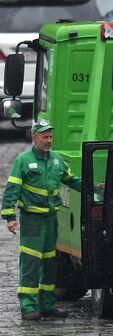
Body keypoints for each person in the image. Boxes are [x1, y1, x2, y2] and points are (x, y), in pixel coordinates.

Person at [1, 119, 82, 321]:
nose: (49, 141)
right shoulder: (23, 160)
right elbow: (12, 190)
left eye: (50, 137)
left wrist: (96, 190)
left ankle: (47, 305)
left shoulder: (56, 160)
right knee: (30, 264)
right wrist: (9, 217)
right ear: (34, 137)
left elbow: (73, 180)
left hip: (50, 220)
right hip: (32, 221)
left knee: (49, 263)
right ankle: (28, 307)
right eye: (45, 137)